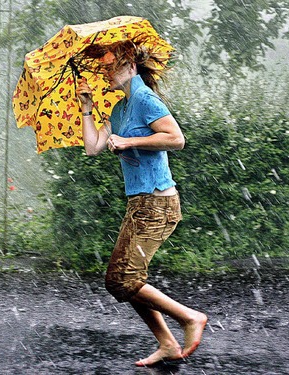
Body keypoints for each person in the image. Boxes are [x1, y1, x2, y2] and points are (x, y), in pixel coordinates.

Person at [77, 39, 208, 367]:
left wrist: (130, 140)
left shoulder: (145, 99)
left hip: (157, 204)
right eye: (104, 68)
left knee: (122, 280)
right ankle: (166, 343)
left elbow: (176, 138)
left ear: (131, 66)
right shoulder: (121, 108)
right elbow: (93, 147)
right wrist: (87, 108)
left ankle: (189, 318)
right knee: (123, 281)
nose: (106, 72)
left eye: (111, 66)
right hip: (140, 204)